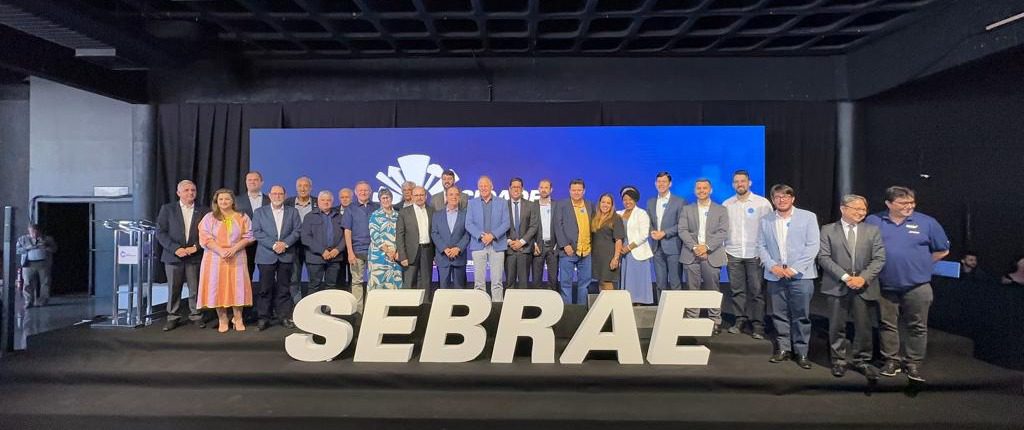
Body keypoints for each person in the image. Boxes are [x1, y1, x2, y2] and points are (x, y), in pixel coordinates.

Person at [866, 186, 950, 382]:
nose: (909, 206)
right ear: (888, 204)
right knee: (887, 324)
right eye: (903, 203)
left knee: (917, 326)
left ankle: (913, 363)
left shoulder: (927, 222)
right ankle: (891, 360)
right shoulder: (873, 220)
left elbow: (942, 250)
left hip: (917, 284)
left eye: (911, 202)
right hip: (885, 284)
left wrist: (923, 264)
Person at [818, 194, 886, 378]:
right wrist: (846, 277)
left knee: (864, 327)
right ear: (843, 209)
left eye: (863, 209)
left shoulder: (872, 230)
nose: (861, 212)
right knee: (836, 326)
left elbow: (879, 258)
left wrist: (863, 278)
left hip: (864, 286)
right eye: (857, 208)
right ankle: (838, 361)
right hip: (837, 285)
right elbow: (823, 257)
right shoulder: (828, 230)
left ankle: (862, 360)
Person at [758, 184, 819, 369]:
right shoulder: (765, 220)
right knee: (779, 315)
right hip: (775, 275)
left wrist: (795, 269)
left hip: (801, 276)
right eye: (777, 197)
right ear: (772, 200)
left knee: (801, 316)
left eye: (785, 196)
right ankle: (784, 348)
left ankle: (801, 352)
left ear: (792, 199)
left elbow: (813, 246)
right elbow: (761, 246)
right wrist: (772, 266)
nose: (781, 200)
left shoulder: (808, 217)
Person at [722, 169, 773, 339]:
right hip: (733, 253)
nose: (740, 184)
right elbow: (723, 229)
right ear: (733, 184)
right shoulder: (727, 204)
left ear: (749, 183)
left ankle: (758, 325)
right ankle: (740, 320)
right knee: (737, 290)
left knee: (757, 292)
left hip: (755, 254)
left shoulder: (762, 203)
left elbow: (769, 230)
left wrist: (766, 253)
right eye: (736, 181)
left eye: (743, 181)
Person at [197, 189, 255, 333]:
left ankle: (238, 318)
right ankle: (222, 319)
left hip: (237, 256)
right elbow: (205, 237)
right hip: (215, 258)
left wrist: (234, 249)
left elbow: (249, 236)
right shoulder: (209, 218)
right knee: (217, 287)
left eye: (227, 199)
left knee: (237, 287)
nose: (224, 202)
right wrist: (220, 250)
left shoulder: (242, 216)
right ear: (216, 202)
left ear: (233, 201)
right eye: (221, 199)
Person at [155, 180, 209, 331]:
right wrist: (175, 249)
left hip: (195, 256)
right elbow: (160, 232)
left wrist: (196, 247)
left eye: (193, 190)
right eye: (186, 190)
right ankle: (173, 316)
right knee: (174, 288)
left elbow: (208, 233)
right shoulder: (168, 209)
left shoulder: (204, 210)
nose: (190, 192)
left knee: (195, 288)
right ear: (178, 193)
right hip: (173, 256)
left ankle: (196, 315)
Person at [678, 178, 729, 334]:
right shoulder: (687, 209)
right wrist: (695, 247)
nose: (701, 191)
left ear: (710, 190)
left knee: (713, 289)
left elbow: (723, 232)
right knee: (692, 289)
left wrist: (706, 247)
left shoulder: (721, 210)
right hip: (690, 254)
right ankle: (692, 320)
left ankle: (714, 321)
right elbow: (682, 230)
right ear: (695, 191)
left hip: (712, 255)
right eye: (698, 188)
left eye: (704, 188)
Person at [251, 185, 302, 330]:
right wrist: (274, 245)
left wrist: (284, 244)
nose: (277, 196)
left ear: (285, 195)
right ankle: (263, 318)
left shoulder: (293, 212)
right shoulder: (259, 212)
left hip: (286, 255)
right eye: (274, 194)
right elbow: (257, 232)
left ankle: (283, 316)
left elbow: (297, 231)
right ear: (269, 195)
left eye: (280, 194)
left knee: (284, 288)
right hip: (266, 256)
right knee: (265, 288)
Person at [466, 176, 510, 302]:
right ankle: (480, 308)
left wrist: (492, 235)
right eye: (481, 186)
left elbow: (506, 223)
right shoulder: (472, 203)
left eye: (486, 185)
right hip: (479, 245)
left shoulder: (502, 202)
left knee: (497, 282)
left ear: (492, 186)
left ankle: (497, 309)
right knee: (479, 283)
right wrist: (482, 236)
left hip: (497, 245)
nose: (483, 188)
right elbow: (468, 224)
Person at [554, 178, 595, 305]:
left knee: (584, 284)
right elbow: (557, 226)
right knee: (566, 284)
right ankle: (567, 311)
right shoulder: (561, 204)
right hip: (568, 251)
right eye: (574, 190)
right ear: (569, 191)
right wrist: (565, 245)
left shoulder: (590, 205)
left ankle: (582, 311)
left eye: (579, 190)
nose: (576, 192)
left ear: (584, 191)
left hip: (586, 252)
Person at [646, 172, 686, 298]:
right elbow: (648, 222)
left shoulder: (679, 201)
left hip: (673, 248)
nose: (661, 184)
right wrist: (652, 232)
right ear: (655, 183)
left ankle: (677, 309)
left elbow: (681, 225)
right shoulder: (650, 202)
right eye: (659, 181)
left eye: (664, 181)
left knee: (675, 283)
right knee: (660, 283)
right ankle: (661, 309)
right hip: (657, 248)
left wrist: (664, 233)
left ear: (670, 184)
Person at [301, 191, 346, 297]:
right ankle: (312, 307)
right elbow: (305, 237)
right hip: (315, 258)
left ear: (332, 202)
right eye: (323, 200)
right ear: (318, 201)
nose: (326, 202)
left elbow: (346, 236)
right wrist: (322, 251)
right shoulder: (309, 217)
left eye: (328, 200)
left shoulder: (340, 216)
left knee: (332, 287)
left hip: (335, 257)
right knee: (314, 286)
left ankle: (329, 307)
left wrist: (338, 249)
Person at [343, 181, 380, 305]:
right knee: (356, 282)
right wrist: (350, 252)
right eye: (360, 190)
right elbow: (347, 231)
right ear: (355, 192)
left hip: (375, 251)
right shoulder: (350, 208)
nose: (363, 192)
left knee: (374, 282)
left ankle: (372, 309)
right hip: (357, 251)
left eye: (366, 190)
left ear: (370, 192)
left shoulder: (377, 207)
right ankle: (358, 312)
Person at [618, 186, 654, 305]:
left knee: (637, 280)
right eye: (625, 199)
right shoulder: (619, 213)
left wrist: (629, 248)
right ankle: (626, 303)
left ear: (635, 200)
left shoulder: (641, 213)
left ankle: (638, 303)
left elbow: (644, 235)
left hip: (636, 251)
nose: (627, 202)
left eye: (630, 199)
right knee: (626, 279)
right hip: (622, 252)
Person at [431, 186, 470, 290]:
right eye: (451, 194)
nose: (454, 197)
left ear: (459, 197)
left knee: (460, 291)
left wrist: (458, 248)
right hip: (443, 257)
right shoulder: (437, 215)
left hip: (459, 257)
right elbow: (434, 233)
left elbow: (467, 234)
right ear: (446, 197)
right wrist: (444, 248)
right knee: (443, 290)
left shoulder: (466, 215)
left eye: (456, 194)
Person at [396, 186, 435, 290]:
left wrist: (435, 255)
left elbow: (435, 233)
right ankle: (409, 302)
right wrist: (402, 256)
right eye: (416, 195)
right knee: (409, 283)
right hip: (410, 253)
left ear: (426, 196)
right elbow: (399, 235)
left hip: (427, 251)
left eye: (421, 195)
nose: (419, 197)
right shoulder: (404, 212)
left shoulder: (432, 211)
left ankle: (426, 301)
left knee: (426, 283)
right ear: (412, 197)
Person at [505, 177, 538, 290]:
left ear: (522, 189)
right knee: (509, 284)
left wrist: (521, 242)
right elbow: (499, 226)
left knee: (524, 285)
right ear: (509, 189)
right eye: (513, 187)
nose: (516, 189)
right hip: (509, 251)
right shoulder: (503, 205)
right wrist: (509, 241)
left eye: (518, 187)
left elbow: (533, 226)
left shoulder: (531, 205)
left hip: (525, 250)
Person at [285, 176, 314, 302]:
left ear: (311, 188)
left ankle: (311, 306)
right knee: (294, 278)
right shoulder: (287, 203)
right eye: (300, 186)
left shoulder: (318, 203)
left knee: (314, 279)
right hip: (293, 246)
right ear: (296, 188)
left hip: (312, 247)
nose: (303, 189)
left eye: (306, 186)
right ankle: (297, 306)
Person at [368, 189, 403, 290]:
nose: (386, 200)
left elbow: (401, 234)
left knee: (394, 281)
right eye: (383, 198)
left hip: (395, 254)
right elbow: (374, 235)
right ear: (380, 200)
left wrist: (397, 251)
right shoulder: (375, 215)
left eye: (387, 198)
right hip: (379, 254)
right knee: (378, 282)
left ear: (391, 199)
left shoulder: (398, 215)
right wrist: (387, 251)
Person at [16, 224, 57, 308]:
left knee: (45, 282)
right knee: (27, 282)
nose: (34, 234)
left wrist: (46, 247)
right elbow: (17, 250)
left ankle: (43, 301)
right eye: (32, 232)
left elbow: (54, 249)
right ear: (29, 231)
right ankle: (28, 301)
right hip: (28, 264)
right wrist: (27, 248)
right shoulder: (23, 239)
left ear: (40, 231)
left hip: (43, 264)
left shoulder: (48, 239)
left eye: (36, 232)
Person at [590, 193, 625, 292]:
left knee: (607, 282)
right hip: (597, 256)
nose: (605, 205)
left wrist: (616, 258)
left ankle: (611, 302)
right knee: (601, 282)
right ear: (599, 203)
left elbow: (619, 240)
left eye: (608, 203)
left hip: (609, 256)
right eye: (603, 202)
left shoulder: (616, 218)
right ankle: (604, 302)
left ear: (612, 205)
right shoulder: (594, 217)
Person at [531, 179, 559, 290]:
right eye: (541, 187)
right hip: (538, 246)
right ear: (538, 189)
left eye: (546, 187)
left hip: (553, 247)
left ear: (551, 190)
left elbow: (561, 226)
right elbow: (528, 226)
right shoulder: (532, 205)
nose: (543, 190)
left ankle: (553, 300)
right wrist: (533, 244)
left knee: (553, 280)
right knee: (536, 280)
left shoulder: (557, 205)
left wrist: (558, 244)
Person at [337, 187, 354, 288]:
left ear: (352, 198)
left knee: (354, 277)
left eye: (347, 197)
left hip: (353, 248)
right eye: (342, 197)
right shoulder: (333, 211)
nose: (344, 199)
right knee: (339, 278)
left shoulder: (357, 210)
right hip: (338, 250)